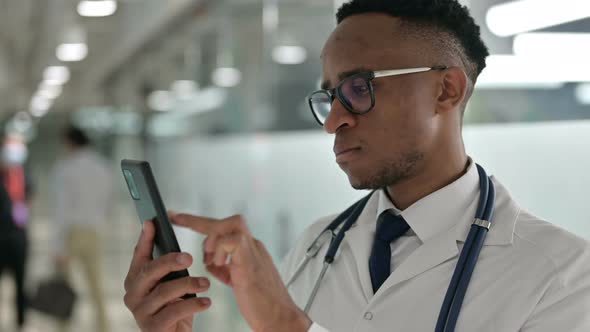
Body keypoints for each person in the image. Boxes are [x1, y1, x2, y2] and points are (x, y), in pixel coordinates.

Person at [123, 0, 590, 331]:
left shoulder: (563, 276)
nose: (334, 122)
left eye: (359, 88)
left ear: (446, 90)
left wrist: (289, 327)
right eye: (329, 97)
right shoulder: (315, 246)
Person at [52, 126, 112, 332]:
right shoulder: (102, 166)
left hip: (72, 232)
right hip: (94, 231)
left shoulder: (66, 168)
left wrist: (58, 245)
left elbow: (62, 208)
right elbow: (106, 202)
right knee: (96, 286)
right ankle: (104, 327)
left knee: (63, 285)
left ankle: (63, 327)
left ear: (70, 142)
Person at [0, 135, 34, 331]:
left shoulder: (21, 174)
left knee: (21, 283)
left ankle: (21, 322)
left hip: (18, 238)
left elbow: (28, 198)